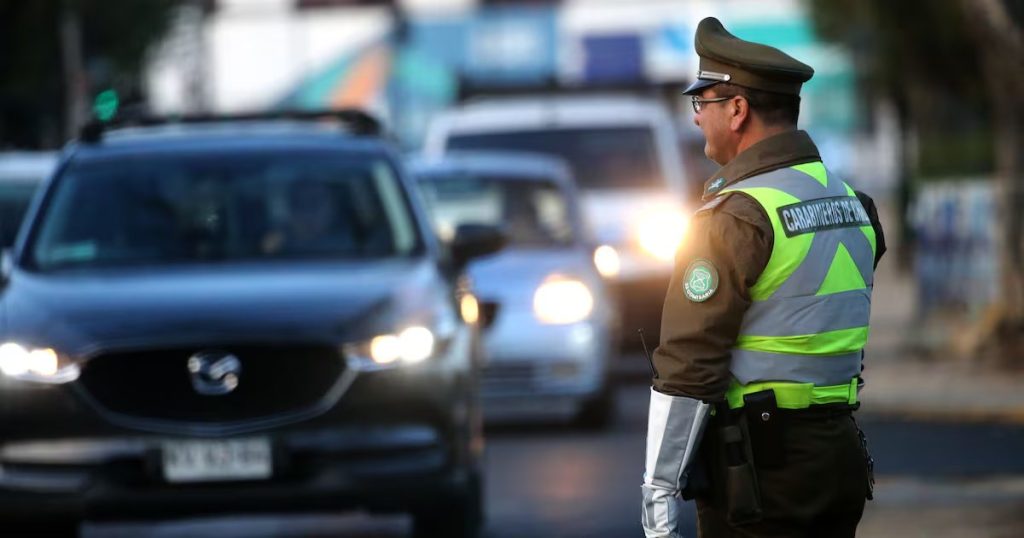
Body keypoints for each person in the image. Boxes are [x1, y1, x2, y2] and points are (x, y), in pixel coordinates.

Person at [641, 17, 886, 538]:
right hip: (836, 460)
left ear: (736, 109)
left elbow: (688, 369)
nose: (695, 120)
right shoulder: (853, 204)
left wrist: (658, 497)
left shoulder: (734, 219)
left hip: (758, 475)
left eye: (700, 105)